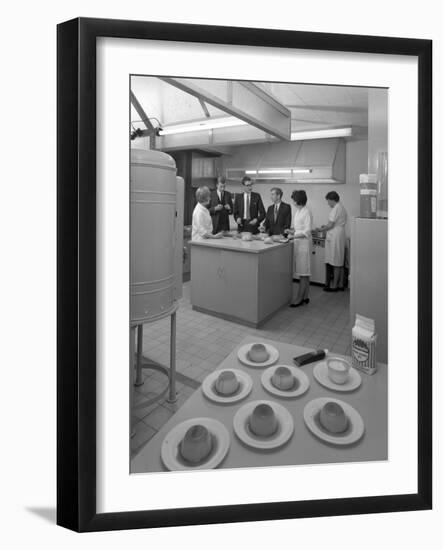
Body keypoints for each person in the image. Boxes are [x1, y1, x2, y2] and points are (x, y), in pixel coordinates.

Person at [286, 190, 313, 308]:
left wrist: (293, 235)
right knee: (305, 273)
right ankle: (306, 296)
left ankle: (299, 299)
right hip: (298, 243)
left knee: (303, 273)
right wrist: (291, 231)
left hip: (304, 245)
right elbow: (298, 228)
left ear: (297, 200)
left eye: (293, 199)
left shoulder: (307, 212)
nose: (292, 201)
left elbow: (307, 231)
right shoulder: (298, 211)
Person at [317, 191, 348, 292]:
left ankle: (334, 286)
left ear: (332, 200)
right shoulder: (342, 207)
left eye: (328, 201)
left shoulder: (336, 208)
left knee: (335, 261)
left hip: (335, 236)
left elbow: (330, 225)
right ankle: (340, 284)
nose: (328, 203)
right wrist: (326, 227)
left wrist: (321, 229)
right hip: (339, 234)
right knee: (339, 260)